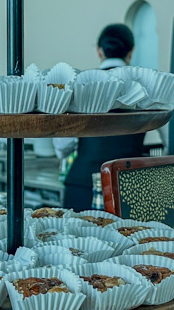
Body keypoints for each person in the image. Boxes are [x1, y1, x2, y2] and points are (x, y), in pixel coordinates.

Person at [57, 24, 146, 210]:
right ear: (131, 52)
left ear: (100, 52)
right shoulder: (146, 87)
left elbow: (63, 145)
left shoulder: (82, 84)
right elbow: (166, 136)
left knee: (76, 238)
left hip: (83, 183)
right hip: (130, 186)